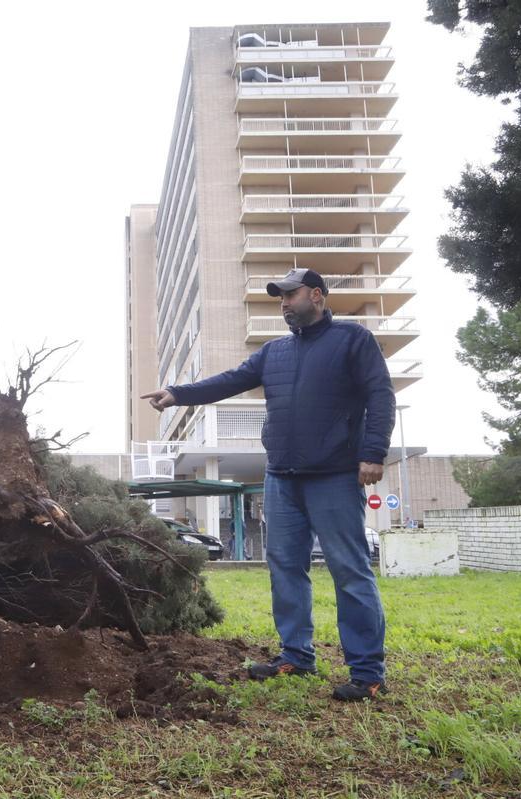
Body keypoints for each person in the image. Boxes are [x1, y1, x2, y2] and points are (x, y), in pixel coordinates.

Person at [140, 268, 394, 701]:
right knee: (284, 568)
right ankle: (296, 655)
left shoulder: (353, 340)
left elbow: (380, 395)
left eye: (290, 296)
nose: (283, 303)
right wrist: (178, 393)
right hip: (281, 476)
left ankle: (367, 672)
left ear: (316, 295)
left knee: (349, 571)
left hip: (334, 474)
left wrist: (372, 452)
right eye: (279, 298)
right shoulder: (274, 352)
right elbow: (231, 380)